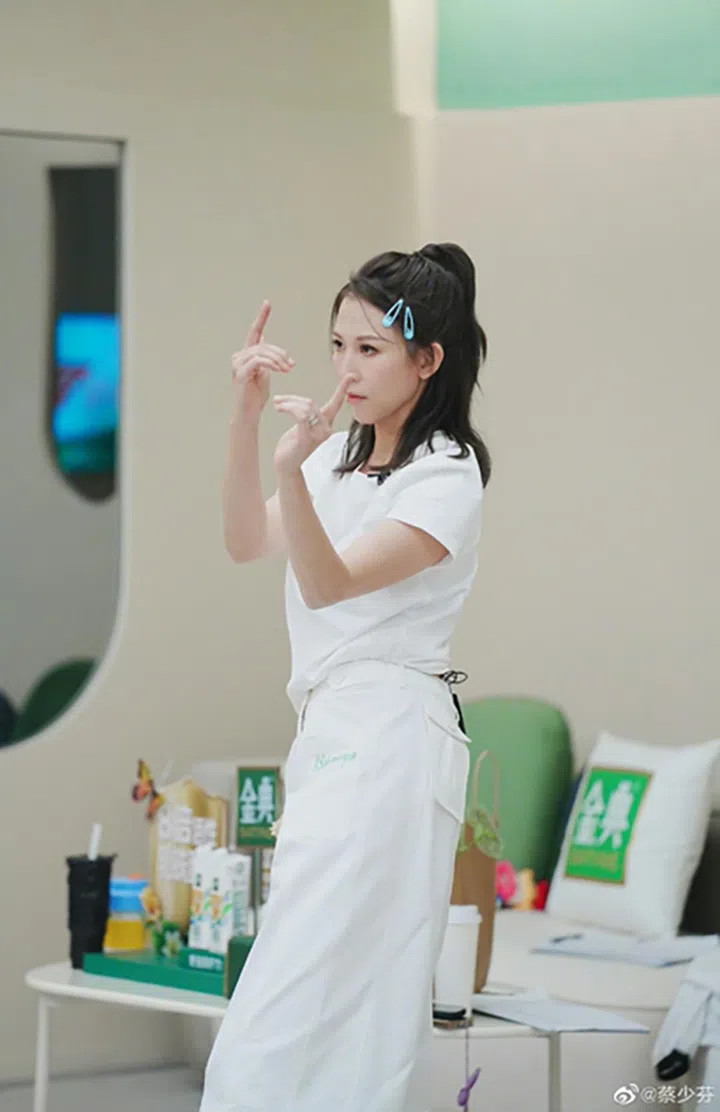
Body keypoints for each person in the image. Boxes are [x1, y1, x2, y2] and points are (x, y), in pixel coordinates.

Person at [200, 243, 491, 1112]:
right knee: (313, 991)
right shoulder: (336, 459)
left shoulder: (446, 473)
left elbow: (328, 583)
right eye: (337, 346)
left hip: (393, 732)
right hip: (336, 733)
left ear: (427, 360)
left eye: (370, 349)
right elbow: (244, 542)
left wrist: (291, 471)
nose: (346, 369)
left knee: (335, 1001)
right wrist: (247, 421)